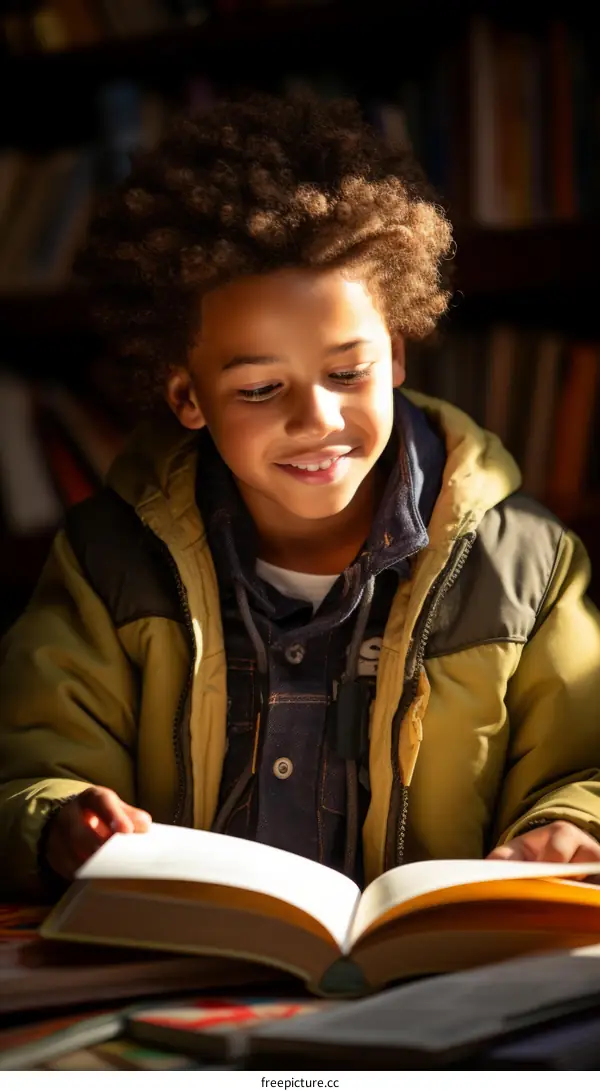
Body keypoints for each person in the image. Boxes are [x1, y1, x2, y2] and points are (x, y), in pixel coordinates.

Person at [2, 92, 600, 900]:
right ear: (187, 396)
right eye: (258, 389)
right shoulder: (109, 561)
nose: (315, 420)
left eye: (346, 373)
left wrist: (568, 826)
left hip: (426, 987)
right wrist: (61, 820)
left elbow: (585, 766)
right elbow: (28, 770)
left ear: (393, 354)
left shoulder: (524, 565)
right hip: (184, 979)